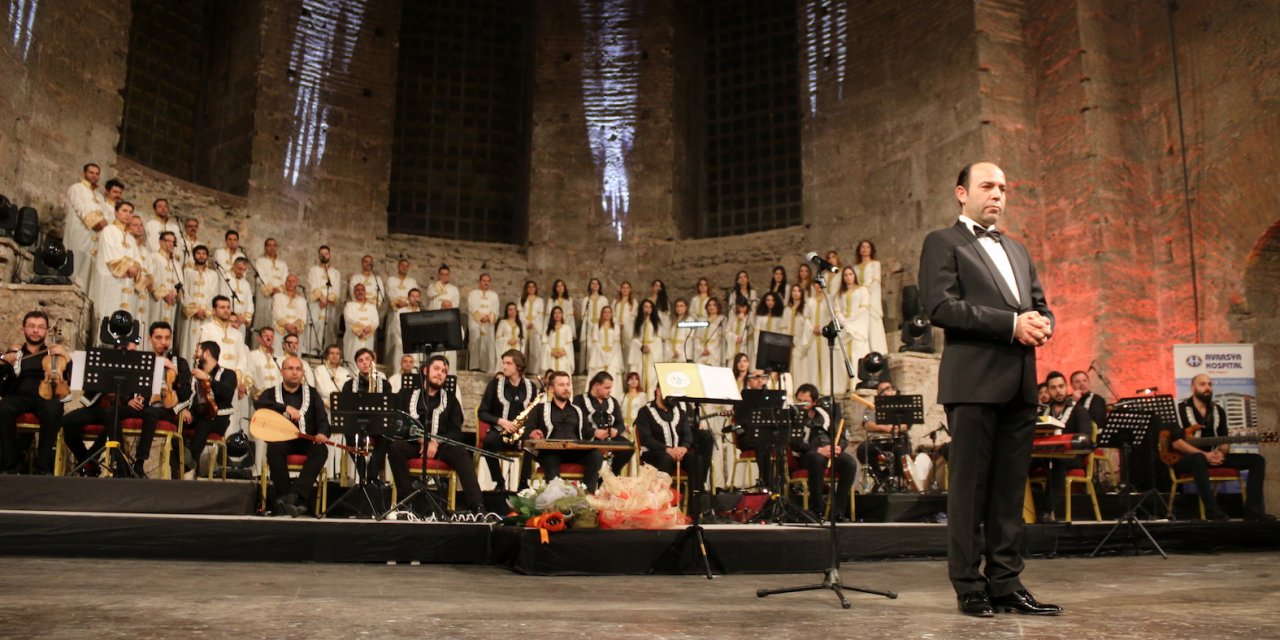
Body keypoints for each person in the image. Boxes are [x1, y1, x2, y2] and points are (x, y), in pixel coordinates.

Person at [919, 161, 1059, 617]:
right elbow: (940, 306)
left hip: (1020, 382)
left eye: (1002, 187)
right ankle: (968, 584)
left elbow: (1039, 305)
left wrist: (1043, 324)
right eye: (987, 186)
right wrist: (1012, 325)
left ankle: (1006, 581)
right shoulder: (943, 242)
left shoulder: (1017, 250)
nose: (997, 193)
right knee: (970, 490)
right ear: (962, 193)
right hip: (974, 382)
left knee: (1008, 492)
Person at [388, 355, 484, 514]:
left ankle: (478, 507)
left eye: (444, 371)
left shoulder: (451, 400)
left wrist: (436, 443)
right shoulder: (406, 395)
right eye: (436, 369)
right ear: (426, 370)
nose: (440, 373)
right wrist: (421, 441)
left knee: (461, 453)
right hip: (414, 444)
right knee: (395, 448)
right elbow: (398, 424)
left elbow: (456, 432)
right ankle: (406, 503)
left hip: (441, 447)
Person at [1170, 373, 1272, 521]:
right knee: (1198, 458)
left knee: (1257, 460)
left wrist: (1221, 453)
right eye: (1203, 384)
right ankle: (1212, 511)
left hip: (1214, 456)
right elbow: (1176, 443)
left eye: (1210, 384)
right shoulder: (1179, 410)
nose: (1207, 388)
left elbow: (1224, 440)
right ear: (1193, 388)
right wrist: (1205, 455)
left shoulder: (1218, 411)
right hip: (1188, 460)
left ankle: (1253, 510)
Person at [255, 355, 329, 517]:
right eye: (290, 369)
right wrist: (284, 407)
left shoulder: (312, 393)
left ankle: (293, 496)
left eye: (298, 369)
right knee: (274, 448)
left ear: (303, 373)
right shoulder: (271, 393)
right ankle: (286, 497)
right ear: (282, 372)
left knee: (321, 450)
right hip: (283, 440)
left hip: (306, 441)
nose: (295, 373)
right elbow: (258, 404)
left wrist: (322, 433)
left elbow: (322, 419)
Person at [0, 311, 72, 474]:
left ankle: (43, 466)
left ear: (47, 331)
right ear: (23, 330)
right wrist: (5, 361)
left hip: (45, 396)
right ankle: (10, 465)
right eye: (31, 326)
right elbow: (3, 385)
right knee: (3, 408)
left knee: (54, 408)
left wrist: (67, 358)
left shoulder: (54, 354)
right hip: (19, 396)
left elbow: (69, 380)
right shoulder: (15, 354)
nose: (35, 330)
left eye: (40, 327)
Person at [523, 371, 602, 492]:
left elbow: (586, 432)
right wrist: (532, 433)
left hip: (575, 451)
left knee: (595, 455)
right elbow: (527, 429)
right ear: (551, 389)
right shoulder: (540, 409)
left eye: (568, 384)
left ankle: (587, 497)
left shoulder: (578, 410)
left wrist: (596, 433)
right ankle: (556, 500)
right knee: (550, 457)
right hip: (550, 452)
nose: (566, 388)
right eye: (561, 385)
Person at [1029, 371, 1091, 522]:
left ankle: (1046, 511)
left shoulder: (1079, 410)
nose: (1058, 391)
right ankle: (1021, 509)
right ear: (1049, 391)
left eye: (1061, 386)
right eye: (1054, 388)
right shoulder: (1044, 412)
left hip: (1072, 456)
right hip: (1046, 454)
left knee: (1057, 462)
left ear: (1066, 388)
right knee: (1019, 461)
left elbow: (1085, 438)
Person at [790, 383, 856, 521]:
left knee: (849, 463)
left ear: (814, 402)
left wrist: (839, 447)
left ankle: (838, 511)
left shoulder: (825, 414)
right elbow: (795, 443)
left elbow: (841, 436)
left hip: (829, 452)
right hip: (808, 454)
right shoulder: (794, 415)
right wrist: (817, 449)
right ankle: (817, 509)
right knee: (817, 459)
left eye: (806, 401)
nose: (801, 404)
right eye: (799, 400)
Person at [478, 349, 540, 491]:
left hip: (523, 431)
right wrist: (501, 421)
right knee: (489, 442)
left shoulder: (531, 387)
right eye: (503, 363)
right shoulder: (494, 385)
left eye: (508, 363)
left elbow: (535, 413)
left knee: (532, 443)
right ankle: (499, 481)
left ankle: (524, 483)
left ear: (518, 366)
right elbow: (482, 412)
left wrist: (530, 430)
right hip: (500, 430)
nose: (504, 366)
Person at [634, 385, 709, 494]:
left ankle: (696, 506)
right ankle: (662, 501)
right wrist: (666, 449)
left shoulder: (679, 412)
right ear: (658, 391)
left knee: (695, 458)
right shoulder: (645, 412)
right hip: (655, 453)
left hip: (677, 453)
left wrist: (683, 447)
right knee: (666, 458)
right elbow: (646, 438)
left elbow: (687, 433)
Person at [183, 340, 238, 476]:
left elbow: (225, 391)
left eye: (198, 352)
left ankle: (186, 467)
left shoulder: (229, 374)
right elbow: (187, 395)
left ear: (206, 353)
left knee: (204, 424)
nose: (195, 355)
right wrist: (185, 410)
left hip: (218, 419)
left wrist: (208, 378)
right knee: (178, 423)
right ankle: (182, 459)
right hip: (198, 415)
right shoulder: (195, 374)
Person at [341, 348, 392, 482]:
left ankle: (371, 474)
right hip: (357, 424)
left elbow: (388, 408)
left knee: (386, 436)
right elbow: (346, 409)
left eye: (367, 359)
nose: (365, 363)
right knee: (350, 434)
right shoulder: (349, 385)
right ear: (357, 364)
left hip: (378, 425)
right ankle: (364, 471)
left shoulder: (385, 384)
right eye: (360, 360)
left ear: (373, 362)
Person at [90, 201, 145, 328]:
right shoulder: (109, 231)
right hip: (111, 281)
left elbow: (137, 260)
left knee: (125, 319)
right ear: (116, 212)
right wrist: (128, 267)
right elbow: (111, 257)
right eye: (124, 211)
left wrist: (136, 269)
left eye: (130, 212)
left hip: (127, 284)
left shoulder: (130, 238)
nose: (128, 214)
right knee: (109, 313)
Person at [573, 371, 634, 476]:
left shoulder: (613, 401)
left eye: (610, 388)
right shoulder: (579, 400)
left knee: (628, 448)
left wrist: (616, 431)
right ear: (596, 385)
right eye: (607, 388)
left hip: (609, 438)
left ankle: (611, 476)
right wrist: (594, 432)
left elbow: (620, 424)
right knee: (594, 454)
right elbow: (576, 423)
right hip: (589, 438)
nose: (610, 391)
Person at [63, 163, 108, 290]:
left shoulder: (99, 196)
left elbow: (105, 216)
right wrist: (96, 221)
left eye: (97, 173)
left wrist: (104, 224)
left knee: (90, 267)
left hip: (94, 237)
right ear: (84, 173)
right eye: (91, 172)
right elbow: (80, 207)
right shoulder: (76, 188)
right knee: (76, 261)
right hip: (80, 231)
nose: (94, 176)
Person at [835, 266, 870, 393]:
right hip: (845, 329)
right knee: (843, 358)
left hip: (856, 329)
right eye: (846, 275)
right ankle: (844, 387)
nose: (848, 277)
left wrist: (850, 322)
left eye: (850, 274)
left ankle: (856, 384)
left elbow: (864, 308)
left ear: (854, 275)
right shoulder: (840, 294)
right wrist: (844, 321)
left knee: (856, 356)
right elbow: (837, 310)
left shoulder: (862, 290)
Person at [180, 246, 218, 360]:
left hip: (206, 316)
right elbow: (184, 292)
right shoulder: (187, 272)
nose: (201, 256)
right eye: (198, 253)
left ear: (207, 256)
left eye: (204, 253)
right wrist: (195, 310)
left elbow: (214, 294)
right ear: (194, 255)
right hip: (191, 315)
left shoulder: (213, 275)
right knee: (189, 343)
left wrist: (205, 311)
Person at [854, 239, 889, 355]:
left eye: (867, 247)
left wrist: (864, 290)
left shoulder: (875, 264)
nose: (865, 250)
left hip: (871, 299)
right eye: (862, 247)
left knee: (874, 326)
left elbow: (876, 282)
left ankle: (879, 352)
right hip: (860, 300)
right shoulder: (855, 268)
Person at [307, 245, 342, 355]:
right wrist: (321, 299)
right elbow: (312, 285)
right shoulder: (313, 270)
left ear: (330, 255)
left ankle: (326, 351)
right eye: (321, 254)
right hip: (316, 304)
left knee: (328, 327)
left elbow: (336, 289)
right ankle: (312, 350)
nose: (324, 256)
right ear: (318, 256)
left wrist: (327, 300)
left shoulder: (335, 273)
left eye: (326, 254)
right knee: (315, 324)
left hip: (329, 306)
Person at [426, 264, 461, 369]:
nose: (444, 277)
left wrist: (447, 308)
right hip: (435, 321)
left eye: (446, 275)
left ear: (449, 276)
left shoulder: (454, 289)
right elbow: (430, 295)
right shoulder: (433, 286)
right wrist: (439, 286)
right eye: (442, 274)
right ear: (438, 275)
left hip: (447, 321)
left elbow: (455, 305)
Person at [385, 259, 420, 363]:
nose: (404, 267)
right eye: (402, 265)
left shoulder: (412, 282)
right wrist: (397, 303)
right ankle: (389, 362)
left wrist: (406, 302)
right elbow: (389, 294)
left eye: (406, 266)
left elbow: (414, 295)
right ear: (398, 266)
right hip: (395, 312)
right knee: (393, 336)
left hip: (409, 310)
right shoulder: (391, 280)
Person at [147, 231, 182, 331]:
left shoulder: (176, 263)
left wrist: (175, 293)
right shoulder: (153, 257)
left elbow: (180, 282)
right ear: (161, 242)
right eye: (168, 241)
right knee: (154, 326)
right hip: (157, 300)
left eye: (173, 242)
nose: (171, 244)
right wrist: (165, 294)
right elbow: (149, 278)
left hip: (171, 301)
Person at [629, 299, 665, 393]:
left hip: (652, 354)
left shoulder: (656, 323)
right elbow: (634, 338)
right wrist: (641, 346)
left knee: (651, 377)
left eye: (650, 307)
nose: (648, 309)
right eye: (645, 306)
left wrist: (650, 347)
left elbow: (658, 339)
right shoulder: (638, 322)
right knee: (640, 374)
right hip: (640, 353)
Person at [587, 306, 624, 397]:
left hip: (613, 356)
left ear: (612, 314)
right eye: (605, 312)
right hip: (599, 356)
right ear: (602, 314)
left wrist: (609, 355)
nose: (607, 314)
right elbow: (595, 341)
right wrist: (602, 353)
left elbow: (616, 342)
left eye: (609, 312)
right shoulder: (597, 326)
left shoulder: (615, 327)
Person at [253, 238, 289, 330]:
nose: (272, 248)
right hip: (265, 295)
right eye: (269, 245)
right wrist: (271, 289)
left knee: (277, 318)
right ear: (265, 247)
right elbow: (260, 277)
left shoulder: (283, 264)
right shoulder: (260, 261)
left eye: (274, 245)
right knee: (264, 320)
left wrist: (279, 290)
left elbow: (285, 279)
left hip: (279, 295)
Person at [784, 284, 816, 388]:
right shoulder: (787, 309)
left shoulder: (805, 309)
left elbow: (807, 328)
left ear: (802, 294)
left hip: (801, 343)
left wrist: (799, 342)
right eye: (794, 290)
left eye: (798, 291)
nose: (796, 293)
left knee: (800, 371)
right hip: (788, 343)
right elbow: (783, 327)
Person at [467, 273, 500, 372]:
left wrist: (489, 317)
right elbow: (471, 307)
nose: (486, 283)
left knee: (488, 345)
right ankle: (475, 367)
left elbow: (496, 309)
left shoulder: (494, 295)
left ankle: (487, 368)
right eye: (484, 280)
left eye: (488, 281)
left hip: (488, 325)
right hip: (476, 324)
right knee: (475, 344)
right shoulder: (473, 294)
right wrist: (480, 317)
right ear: (479, 281)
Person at [342, 284, 379, 360]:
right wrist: (361, 330)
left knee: (366, 357)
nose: (360, 292)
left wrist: (369, 328)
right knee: (352, 357)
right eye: (357, 290)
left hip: (368, 336)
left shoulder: (372, 307)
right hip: (353, 337)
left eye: (362, 290)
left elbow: (376, 321)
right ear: (354, 293)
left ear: (365, 292)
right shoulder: (349, 305)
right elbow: (349, 320)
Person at [312, 344, 350, 414]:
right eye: (332, 353)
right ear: (327, 355)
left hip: (341, 407)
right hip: (323, 405)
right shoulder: (320, 369)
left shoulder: (345, 372)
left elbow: (347, 390)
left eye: (337, 354)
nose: (335, 356)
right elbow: (321, 390)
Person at [272, 274, 309, 345]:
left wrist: (295, 327)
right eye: (288, 281)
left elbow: (303, 318)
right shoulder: (278, 297)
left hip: (295, 332)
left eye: (293, 281)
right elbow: (276, 314)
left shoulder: (302, 300)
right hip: (280, 331)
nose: (291, 283)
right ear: (285, 283)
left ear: (297, 283)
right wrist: (287, 325)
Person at [247, 327, 283, 401]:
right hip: (258, 397)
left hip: (275, 398)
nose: (269, 338)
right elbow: (249, 375)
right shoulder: (252, 355)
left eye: (271, 336)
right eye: (266, 336)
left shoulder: (277, 358)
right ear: (259, 339)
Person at [519, 281, 545, 374]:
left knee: (535, 348)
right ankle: (522, 370)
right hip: (524, 326)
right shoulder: (521, 299)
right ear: (526, 289)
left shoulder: (540, 301)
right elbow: (520, 313)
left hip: (535, 327)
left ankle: (533, 371)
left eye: (533, 287)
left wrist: (533, 323)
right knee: (523, 348)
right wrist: (526, 323)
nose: (531, 289)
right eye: (529, 287)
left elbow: (540, 314)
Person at [221, 257, 255, 328]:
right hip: (228, 319)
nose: (241, 272)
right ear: (233, 266)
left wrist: (245, 318)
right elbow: (222, 298)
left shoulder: (246, 284)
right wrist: (232, 316)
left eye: (244, 270)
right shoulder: (225, 278)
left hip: (241, 321)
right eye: (240, 269)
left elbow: (250, 303)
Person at [542, 306, 575, 375]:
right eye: (555, 313)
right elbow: (544, 343)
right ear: (552, 315)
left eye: (559, 313)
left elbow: (569, 344)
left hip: (563, 357)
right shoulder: (547, 328)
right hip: (551, 357)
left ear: (562, 314)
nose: (557, 315)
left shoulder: (567, 328)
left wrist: (562, 353)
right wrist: (551, 352)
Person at [694, 298, 726, 367]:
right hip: (701, 352)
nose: (711, 307)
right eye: (709, 305)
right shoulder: (702, 320)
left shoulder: (722, 319)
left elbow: (720, 338)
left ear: (718, 307)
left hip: (714, 352)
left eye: (714, 305)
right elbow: (697, 337)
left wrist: (710, 349)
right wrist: (701, 350)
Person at [725, 296, 755, 367]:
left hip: (743, 347)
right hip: (732, 346)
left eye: (743, 307)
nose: (741, 309)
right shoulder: (732, 316)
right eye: (739, 307)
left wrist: (743, 320)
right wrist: (735, 338)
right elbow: (727, 331)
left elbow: (751, 331)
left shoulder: (750, 317)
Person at [495, 303, 525, 373]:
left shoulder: (520, 324)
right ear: (507, 311)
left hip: (517, 349)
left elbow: (523, 339)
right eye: (510, 309)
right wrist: (507, 340)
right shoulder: (503, 322)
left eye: (514, 309)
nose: (512, 311)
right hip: (506, 348)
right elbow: (497, 338)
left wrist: (518, 340)